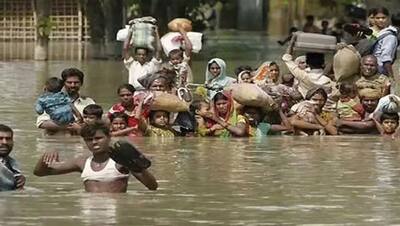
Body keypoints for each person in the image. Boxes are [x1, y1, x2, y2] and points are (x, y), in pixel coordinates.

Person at [33, 121, 158, 193]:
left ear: (108, 137)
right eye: (89, 139)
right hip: (89, 213)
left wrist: (138, 167)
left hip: (114, 213)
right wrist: (45, 156)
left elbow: (152, 186)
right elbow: (40, 173)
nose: (94, 142)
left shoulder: (120, 161)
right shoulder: (82, 162)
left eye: (98, 138)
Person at [36, 68, 96, 135]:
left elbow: (96, 124)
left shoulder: (89, 102)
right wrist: (71, 127)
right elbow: (41, 123)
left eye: (76, 83)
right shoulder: (50, 100)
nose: (72, 85)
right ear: (63, 84)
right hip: (54, 142)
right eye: (69, 82)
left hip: (77, 143)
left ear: (81, 84)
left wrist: (80, 128)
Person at [282, 34, 333, 99]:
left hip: (307, 103)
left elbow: (287, 58)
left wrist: (292, 41)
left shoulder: (303, 75)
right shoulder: (328, 81)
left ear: (307, 64)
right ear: (323, 64)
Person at [123, 25, 162, 90]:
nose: (141, 56)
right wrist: (130, 32)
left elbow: (159, 50)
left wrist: (156, 33)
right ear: (135, 55)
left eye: (144, 55)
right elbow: (125, 49)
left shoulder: (153, 65)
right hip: (134, 92)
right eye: (139, 54)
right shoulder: (132, 64)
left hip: (148, 92)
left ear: (147, 55)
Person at [372, 7, 398, 77]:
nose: (380, 20)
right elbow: (386, 58)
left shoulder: (384, 34)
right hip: (381, 70)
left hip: (370, 69)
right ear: (373, 19)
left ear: (388, 18)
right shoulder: (390, 36)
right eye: (377, 18)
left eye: (383, 18)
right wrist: (391, 77)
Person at [0, 124, 25, 191]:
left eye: (8, 139)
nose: (4, 142)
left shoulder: (11, 163)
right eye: (0, 138)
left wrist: (17, 178)